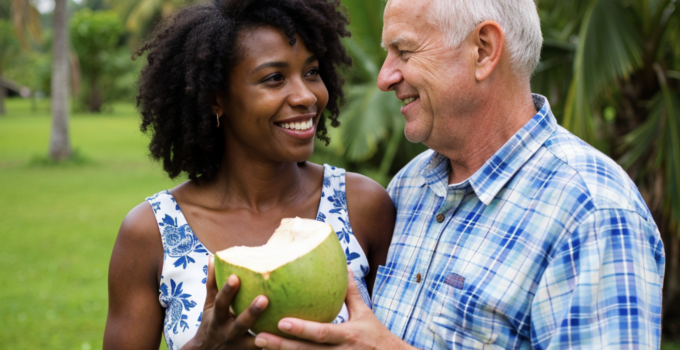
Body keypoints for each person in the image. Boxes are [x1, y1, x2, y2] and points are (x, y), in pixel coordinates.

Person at [253, 0, 666, 349]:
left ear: (484, 50)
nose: (384, 78)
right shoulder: (410, 186)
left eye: (405, 52)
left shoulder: (594, 213)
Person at [103, 0, 395, 349]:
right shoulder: (151, 232)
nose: (306, 96)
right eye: (274, 78)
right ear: (215, 98)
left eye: (312, 72)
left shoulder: (363, 206)